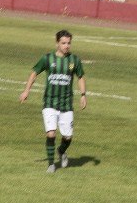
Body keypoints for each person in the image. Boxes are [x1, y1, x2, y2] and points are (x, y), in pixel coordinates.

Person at [19, 30, 87, 173]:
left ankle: (61, 151)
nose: (66, 46)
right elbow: (34, 73)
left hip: (66, 104)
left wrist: (83, 95)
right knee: (51, 133)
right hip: (50, 103)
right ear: (57, 43)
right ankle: (51, 164)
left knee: (67, 137)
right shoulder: (47, 59)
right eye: (63, 43)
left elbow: (80, 77)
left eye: (68, 43)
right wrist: (26, 91)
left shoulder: (74, 60)